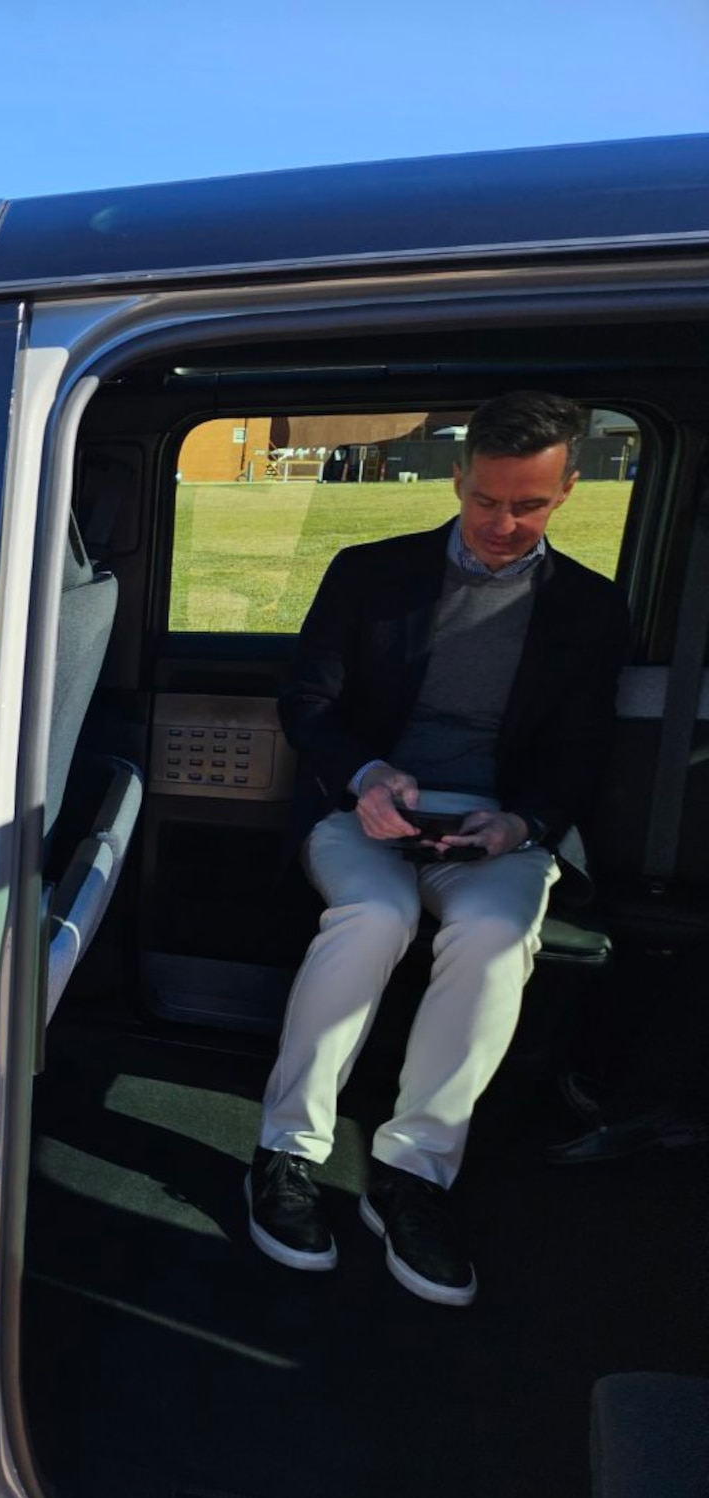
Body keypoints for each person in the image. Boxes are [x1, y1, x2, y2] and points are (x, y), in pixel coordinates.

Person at [245, 390, 630, 1307]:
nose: (504, 523)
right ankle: (286, 1153)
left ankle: (414, 1173)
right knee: (373, 915)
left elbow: (581, 751)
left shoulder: (589, 607)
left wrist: (522, 824)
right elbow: (308, 706)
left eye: (528, 505)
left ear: (567, 490)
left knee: (498, 942)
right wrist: (371, 777)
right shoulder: (370, 575)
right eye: (487, 500)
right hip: (368, 805)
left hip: (497, 822)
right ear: (457, 480)